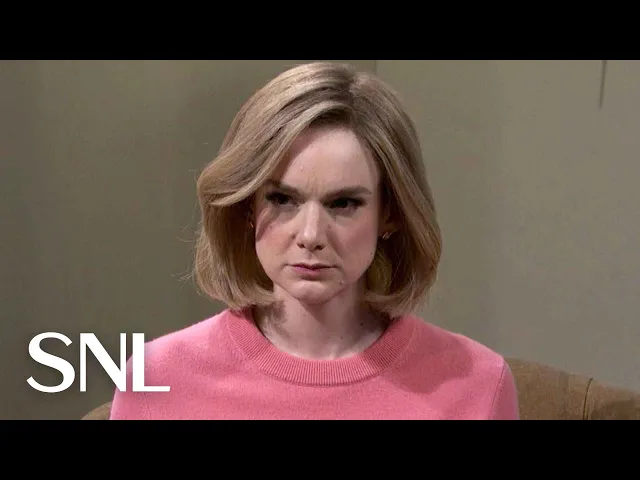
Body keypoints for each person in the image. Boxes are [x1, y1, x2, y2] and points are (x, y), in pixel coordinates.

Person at [109, 62, 520, 420]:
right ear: (247, 206)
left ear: (390, 213)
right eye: (282, 199)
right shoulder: (156, 378)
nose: (310, 236)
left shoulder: (478, 385)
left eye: (343, 204)